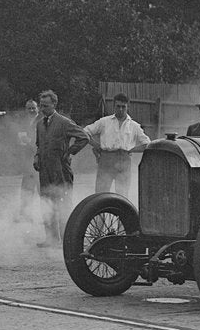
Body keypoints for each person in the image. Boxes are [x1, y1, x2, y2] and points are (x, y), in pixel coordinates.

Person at [34, 89, 88, 245]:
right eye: (41, 106)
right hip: (44, 171)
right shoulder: (39, 124)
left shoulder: (64, 122)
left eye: (45, 106)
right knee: (46, 202)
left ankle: (67, 239)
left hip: (61, 170)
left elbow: (84, 137)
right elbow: (38, 144)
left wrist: (70, 152)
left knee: (63, 203)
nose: (43, 109)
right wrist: (36, 157)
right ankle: (50, 238)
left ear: (54, 104)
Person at [83, 93, 150, 196]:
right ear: (114, 106)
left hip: (124, 161)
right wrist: (96, 145)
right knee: (101, 194)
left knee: (122, 195)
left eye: (123, 107)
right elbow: (85, 132)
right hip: (106, 160)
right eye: (118, 106)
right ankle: (102, 212)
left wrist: (131, 150)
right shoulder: (104, 122)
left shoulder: (134, 126)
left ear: (128, 107)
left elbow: (147, 144)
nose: (121, 109)